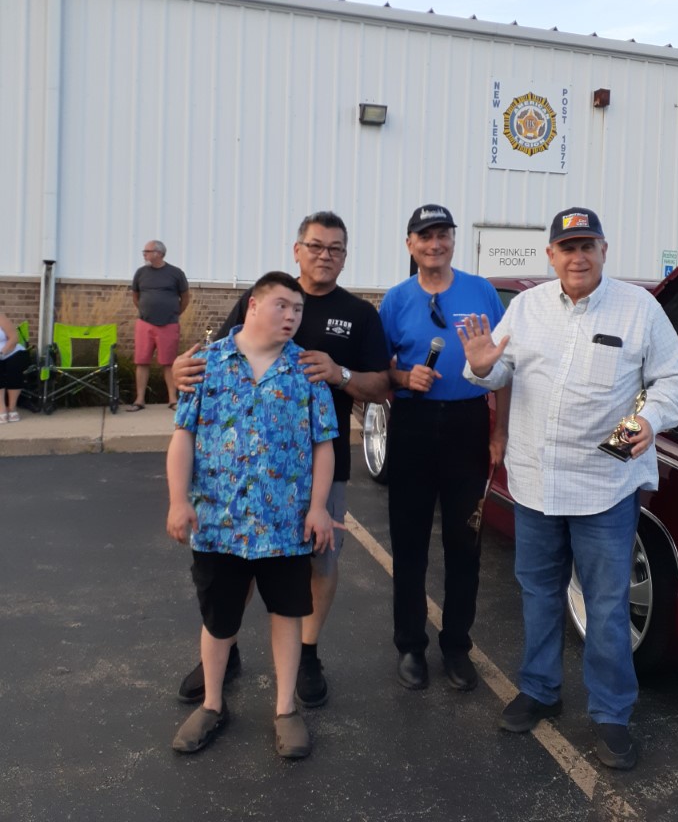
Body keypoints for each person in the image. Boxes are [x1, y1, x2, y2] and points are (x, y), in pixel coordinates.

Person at [460, 206, 678, 770]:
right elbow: (499, 371)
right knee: (539, 592)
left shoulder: (639, 308)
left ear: (604, 250)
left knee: (606, 603)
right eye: (567, 247)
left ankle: (612, 713)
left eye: (588, 245)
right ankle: (540, 689)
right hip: (536, 482)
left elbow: (674, 378)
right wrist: (483, 367)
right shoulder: (527, 307)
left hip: (604, 486)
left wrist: (645, 422)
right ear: (551, 255)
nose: (578, 256)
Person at [172, 211, 390, 709]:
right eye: (316, 245)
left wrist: (339, 373)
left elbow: (381, 386)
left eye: (335, 248)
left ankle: (307, 654)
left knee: (319, 562)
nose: (325, 255)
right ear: (297, 250)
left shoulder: (359, 314)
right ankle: (223, 649)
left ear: (345, 256)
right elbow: (213, 357)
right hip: (241, 471)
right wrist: (180, 369)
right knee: (241, 560)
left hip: (320, 462)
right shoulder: (265, 296)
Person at [167, 272, 338, 758]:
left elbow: (324, 445)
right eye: (282, 305)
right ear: (253, 307)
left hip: (285, 526)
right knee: (219, 618)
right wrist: (178, 500)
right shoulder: (207, 364)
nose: (292, 316)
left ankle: (285, 710)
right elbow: (183, 437)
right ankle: (212, 704)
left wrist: (319, 507)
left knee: (287, 613)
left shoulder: (305, 370)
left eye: (298, 309)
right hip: (218, 524)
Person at [378, 204, 510, 693]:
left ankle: (456, 645)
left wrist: (499, 432)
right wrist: (401, 377)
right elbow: (378, 369)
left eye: (443, 234)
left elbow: (505, 365)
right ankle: (410, 645)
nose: (435, 244)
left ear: (453, 240)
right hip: (413, 423)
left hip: (467, 423)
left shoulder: (481, 292)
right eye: (425, 236)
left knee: (465, 542)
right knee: (409, 544)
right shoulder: (395, 300)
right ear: (410, 245)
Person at [128, 240, 189, 411]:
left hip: (169, 324)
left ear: (159, 253)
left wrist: (174, 313)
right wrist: (145, 310)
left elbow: (185, 297)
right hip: (144, 324)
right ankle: (139, 400)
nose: (144, 254)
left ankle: (173, 399)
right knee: (141, 361)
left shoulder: (175, 273)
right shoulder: (140, 273)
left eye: (147, 251)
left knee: (169, 363)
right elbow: (135, 295)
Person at [0, 312, 29, 423]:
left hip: (12, 350)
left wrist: (2, 353)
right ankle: (2, 409)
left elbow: (14, 338)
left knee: (15, 366)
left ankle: (12, 408)